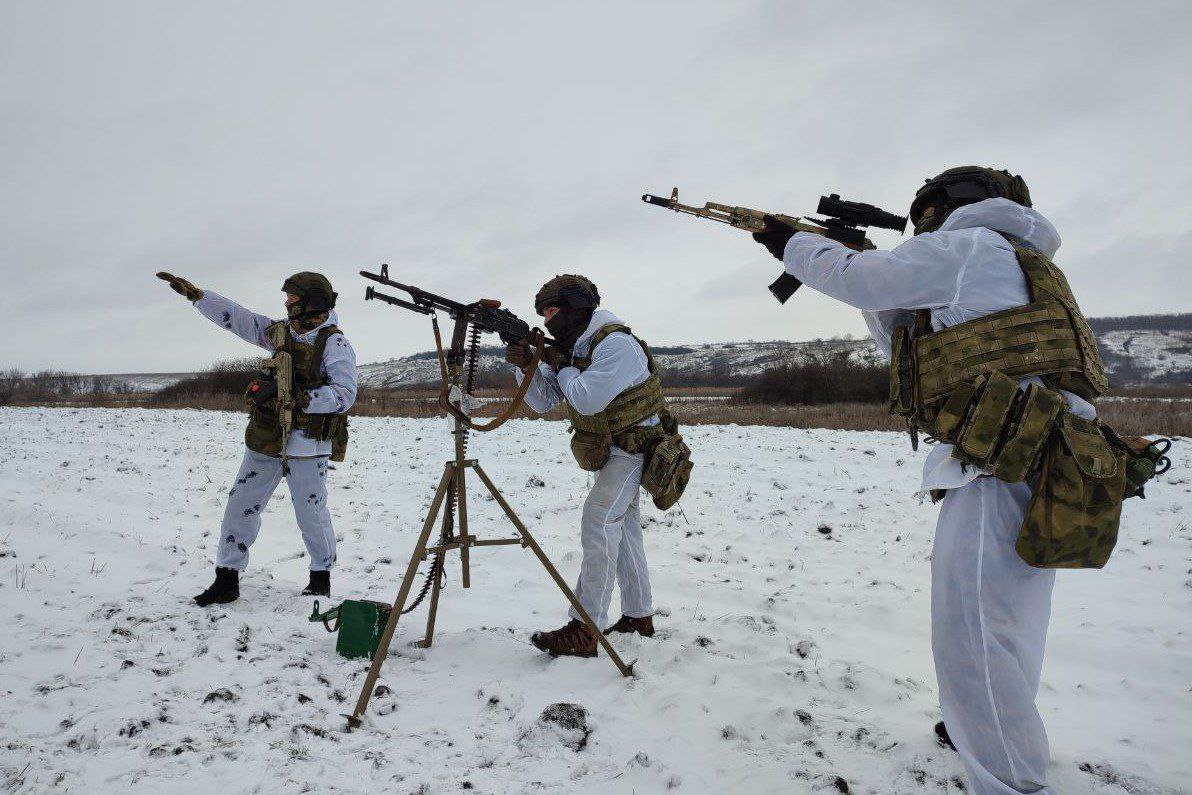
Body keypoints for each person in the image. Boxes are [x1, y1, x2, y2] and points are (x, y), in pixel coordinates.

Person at [752, 167, 1112, 795]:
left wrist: (793, 244)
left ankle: (1007, 780)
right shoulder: (1017, 261)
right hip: (1045, 458)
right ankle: (990, 729)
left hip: (1004, 461)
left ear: (950, 207)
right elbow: (901, 334)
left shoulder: (972, 245)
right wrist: (844, 256)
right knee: (1007, 623)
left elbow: (861, 282)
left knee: (973, 631)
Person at [156, 271, 357, 606]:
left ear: (312, 301)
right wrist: (198, 296)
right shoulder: (278, 333)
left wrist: (300, 399)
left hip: (308, 444)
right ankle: (226, 579)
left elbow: (344, 394)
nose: (286, 302)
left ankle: (320, 578)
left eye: (292, 297)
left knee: (311, 512)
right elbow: (239, 319)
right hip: (267, 438)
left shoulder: (334, 343)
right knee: (239, 506)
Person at [505, 275, 670, 657]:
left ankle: (584, 628)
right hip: (611, 450)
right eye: (542, 313)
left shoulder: (615, 345)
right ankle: (638, 615)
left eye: (552, 310)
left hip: (635, 449)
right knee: (624, 529)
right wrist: (526, 365)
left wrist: (558, 362)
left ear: (577, 306)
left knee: (599, 521)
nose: (547, 320)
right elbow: (543, 401)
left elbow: (585, 399)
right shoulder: (574, 349)